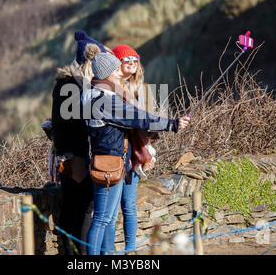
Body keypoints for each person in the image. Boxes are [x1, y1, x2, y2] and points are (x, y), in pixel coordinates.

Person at [81, 52, 190, 255]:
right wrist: (172, 124)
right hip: (109, 164)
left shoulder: (95, 93)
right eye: (115, 70)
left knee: (106, 217)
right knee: (102, 219)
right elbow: (138, 118)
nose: (118, 73)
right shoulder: (105, 101)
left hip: (108, 161)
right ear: (105, 74)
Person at [51, 30, 107, 255]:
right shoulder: (70, 86)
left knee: (81, 209)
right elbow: (61, 125)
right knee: (77, 209)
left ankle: (78, 254)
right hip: (76, 156)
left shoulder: (81, 85)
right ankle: (76, 255)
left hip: (82, 155)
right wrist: (69, 156)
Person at [101, 44, 155, 254]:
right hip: (113, 153)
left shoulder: (141, 89)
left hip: (134, 153)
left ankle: (130, 250)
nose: (132, 62)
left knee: (129, 206)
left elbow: (149, 124)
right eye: (126, 59)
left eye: (135, 59)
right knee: (111, 212)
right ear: (117, 64)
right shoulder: (109, 88)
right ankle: (109, 252)